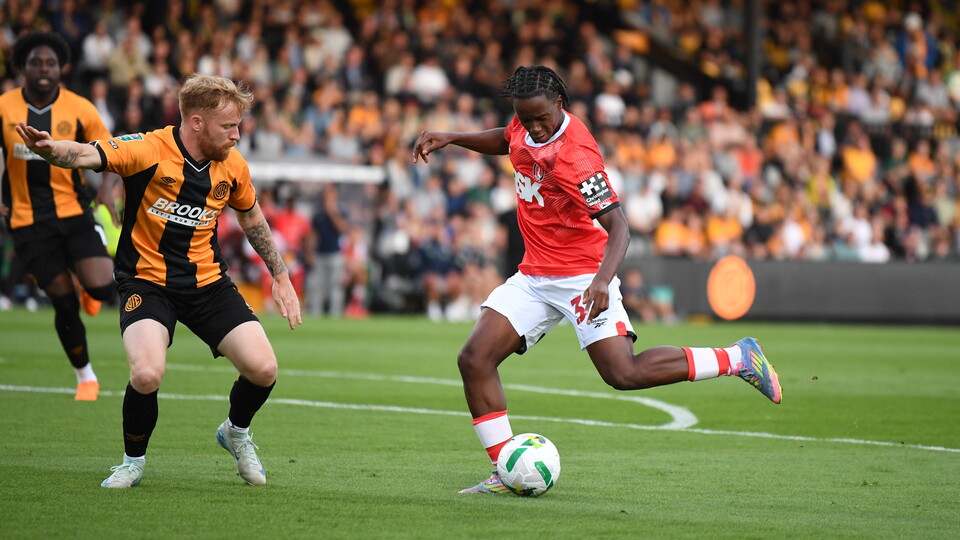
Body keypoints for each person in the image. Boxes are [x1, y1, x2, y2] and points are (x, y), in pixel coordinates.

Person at [412, 66, 782, 495]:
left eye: (540, 119)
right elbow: (506, 139)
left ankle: (737, 358)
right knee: (474, 359)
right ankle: (504, 470)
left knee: (623, 374)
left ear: (559, 104)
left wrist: (602, 282)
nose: (532, 127)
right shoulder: (525, 123)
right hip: (534, 275)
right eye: (525, 118)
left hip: (584, 276)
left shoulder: (578, 158)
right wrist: (453, 137)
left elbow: (620, 227)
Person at [16, 74, 302, 489]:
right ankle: (133, 461)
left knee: (264, 368)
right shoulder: (148, 148)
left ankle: (235, 432)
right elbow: (84, 153)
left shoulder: (233, 166)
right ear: (197, 122)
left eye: (239, 125)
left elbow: (251, 215)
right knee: (147, 374)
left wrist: (280, 274)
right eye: (229, 126)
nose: (238, 135)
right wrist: (51, 150)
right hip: (146, 283)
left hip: (207, 283)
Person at [0, 31, 120, 401]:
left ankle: (88, 281)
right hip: (27, 221)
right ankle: (86, 377)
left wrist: (105, 189)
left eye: (50, 62)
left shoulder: (80, 108)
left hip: (73, 212)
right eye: (35, 62)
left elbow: (110, 151)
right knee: (63, 302)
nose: (43, 69)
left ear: (61, 68)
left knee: (104, 288)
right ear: (21, 66)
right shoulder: (4, 107)